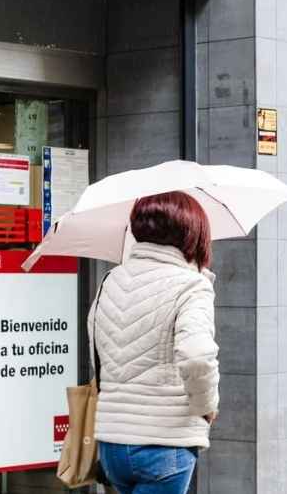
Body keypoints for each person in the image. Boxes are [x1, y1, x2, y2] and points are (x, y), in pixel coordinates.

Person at [88, 191, 220, 494]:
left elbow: (97, 353)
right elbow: (197, 356)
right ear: (191, 231)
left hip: (112, 443)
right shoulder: (191, 285)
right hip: (164, 443)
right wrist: (206, 407)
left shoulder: (111, 280)